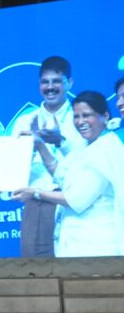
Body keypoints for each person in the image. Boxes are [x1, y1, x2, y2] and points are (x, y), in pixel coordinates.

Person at [11, 91, 124, 257]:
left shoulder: (106, 148)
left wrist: (34, 192)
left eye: (87, 115)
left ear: (105, 116)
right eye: (76, 116)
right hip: (77, 246)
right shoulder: (88, 146)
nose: (80, 122)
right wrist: (41, 146)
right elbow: (62, 176)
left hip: (98, 247)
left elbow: (76, 199)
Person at [6, 57, 84, 257]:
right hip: (37, 201)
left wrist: (60, 140)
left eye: (57, 81)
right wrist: (28, 150)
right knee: (37, 272)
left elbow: (88, 161)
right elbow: (11, 171)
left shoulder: (82, 118)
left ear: (70, 83)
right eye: (45, 82)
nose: (50, 87)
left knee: (78, 265)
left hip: (77, 202)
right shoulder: (24, 122)